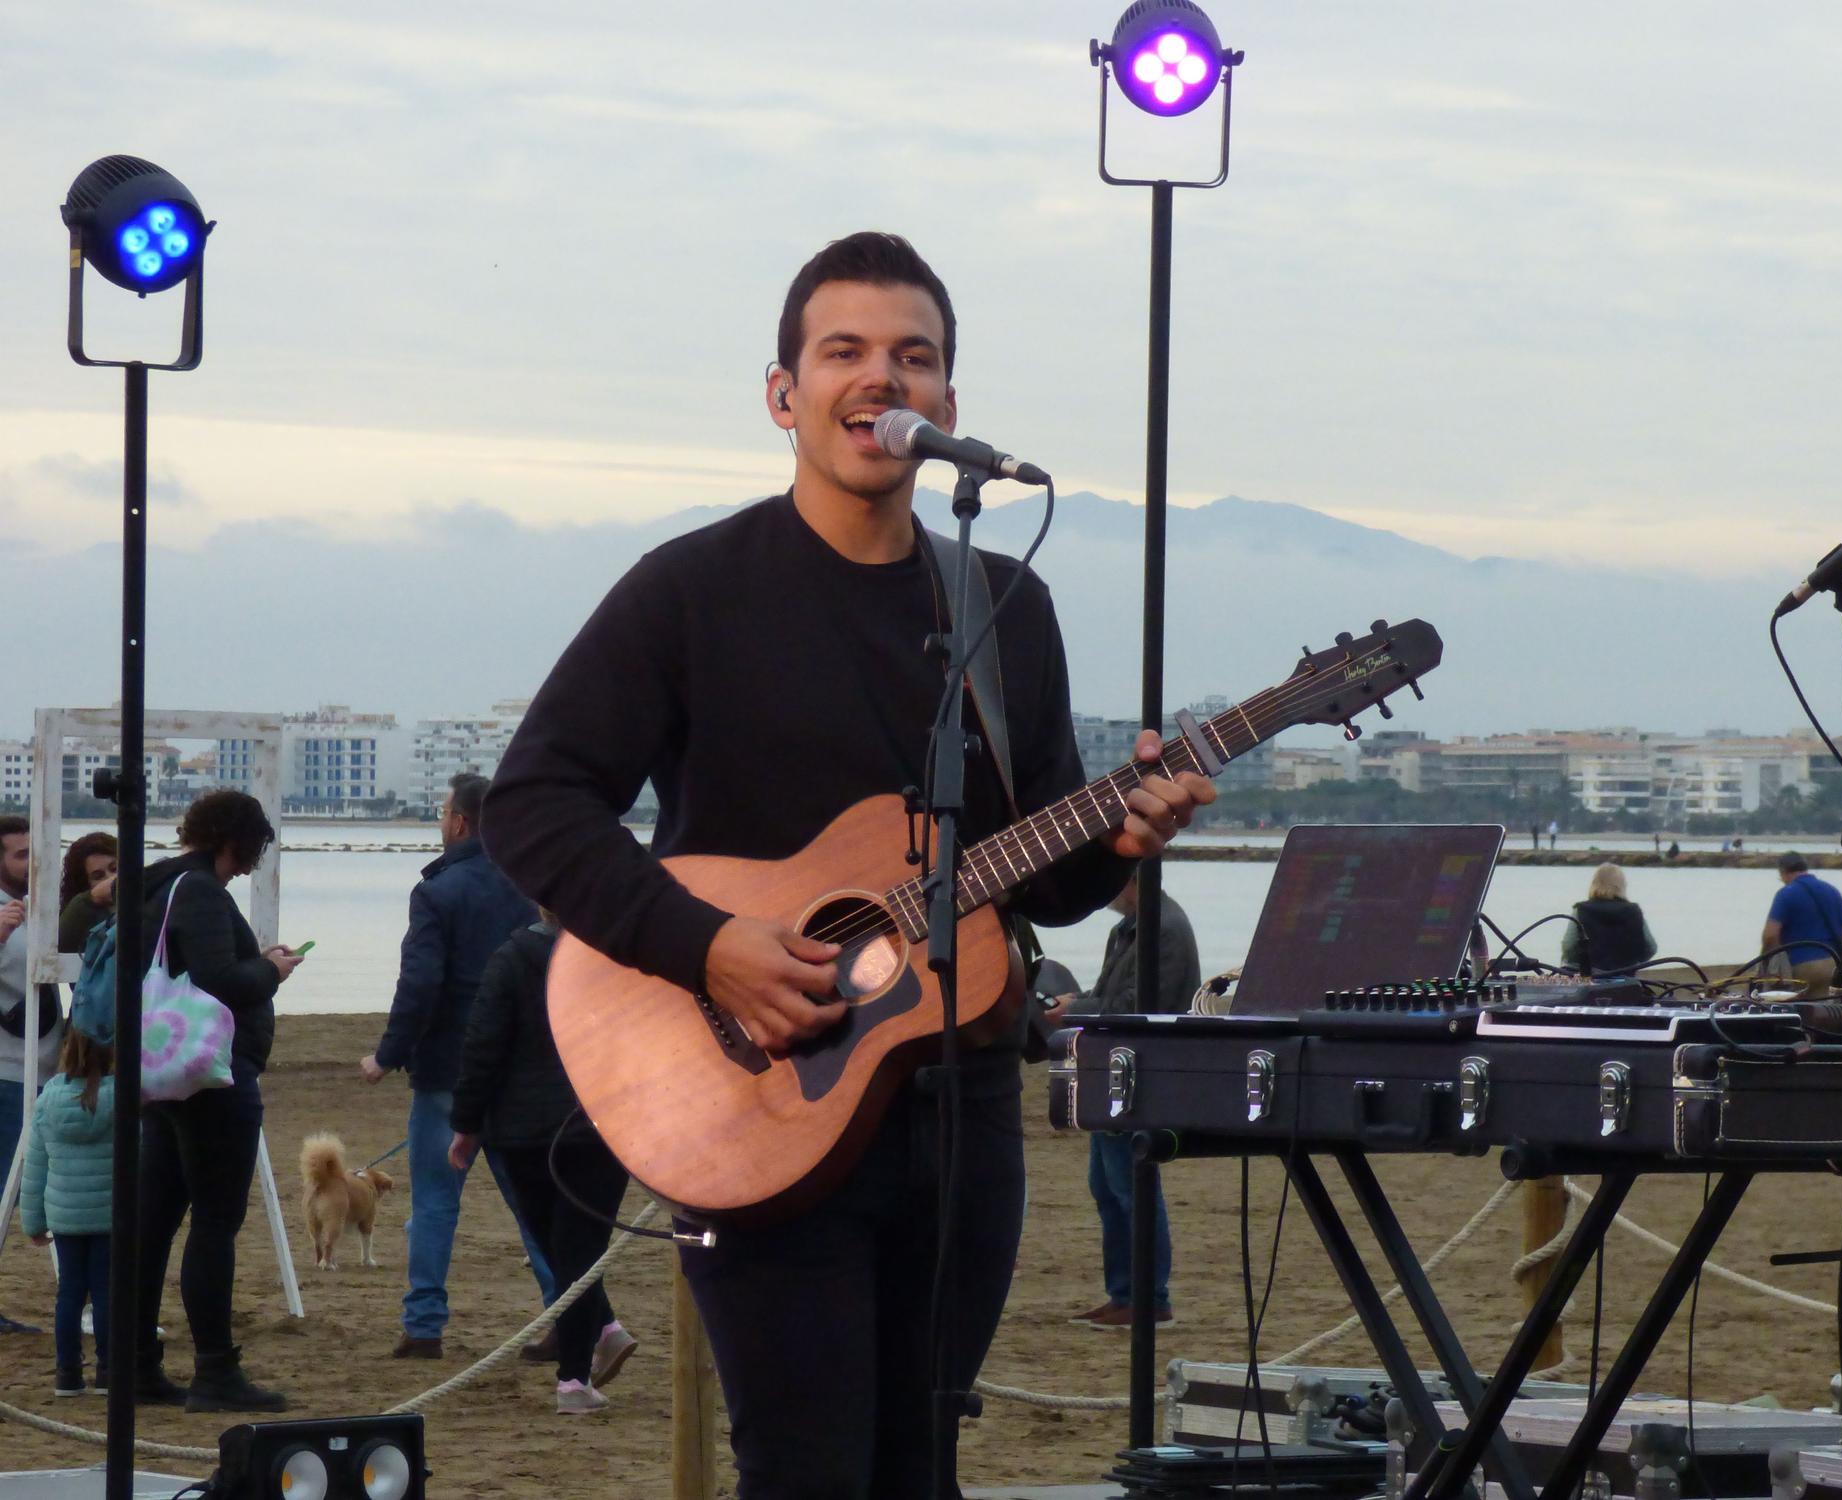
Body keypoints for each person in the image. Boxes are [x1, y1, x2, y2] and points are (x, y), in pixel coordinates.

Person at [481, 231, 1213, 1498]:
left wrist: (1120, 841)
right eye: (846, 352)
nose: (882, 379)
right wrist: (704, 943)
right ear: (783, 396)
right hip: (754, 1100)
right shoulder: (690, 592)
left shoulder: (1003, 607)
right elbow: (534, 805)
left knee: (919, 1467)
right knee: (806, 1470)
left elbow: (1030, 876)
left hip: (960, 1114)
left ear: (947, 406)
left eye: (913, 358)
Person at [361, 770, 549, 1360]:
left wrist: (387, 1055)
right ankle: (571, 1311)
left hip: (449, 1069)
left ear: (460, 822)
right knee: (534, 1206)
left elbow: (420, 983)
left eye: (444, 813)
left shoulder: (437, 893)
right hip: (520, 1067)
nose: (441, 822)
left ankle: (423, 1325)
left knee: (435, 1204)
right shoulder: (530, 887)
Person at [134, 788, 305, 1410]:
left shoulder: (159, 886)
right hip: (211, 1078)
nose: (249, 864)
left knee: (153, 1223)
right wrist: (271, 971)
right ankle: (215, 1370)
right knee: (213, 1222)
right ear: (238, 840)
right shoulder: (202, 892)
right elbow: (219, 982)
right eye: (252, 850)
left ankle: (134, 1364)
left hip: (164, 1077)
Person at [449, 912, 636, 1413]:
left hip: (528, 1132)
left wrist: (466, 1124)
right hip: (592, 1126)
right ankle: (592, 1353)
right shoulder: (612, 957)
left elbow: (482, 1046)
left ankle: (579, 1371)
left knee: (565, 1252)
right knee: (576, 1251)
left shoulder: (511, 958)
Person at [1044, 873, 1201, 1328]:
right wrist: (1077, 1001)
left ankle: (1150, 1296)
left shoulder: (1163, 928)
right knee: (1108, 1187)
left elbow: (1139, 1005)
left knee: (1133, 1189)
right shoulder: (1129, 928)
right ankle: (1125, 1292)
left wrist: (1072, 1011)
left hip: (1142, 1072)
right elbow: (1110, 995)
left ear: (1130, 879)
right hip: (1113, 1068)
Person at [20, 1026, 115, 1396]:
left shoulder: (49, 1100)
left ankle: (67, 1373)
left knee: (70, 1294)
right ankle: (108, 1370)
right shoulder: (121, 1098)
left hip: (66, 1217)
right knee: (107, 1293)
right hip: (109, 1216)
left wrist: (33, 1221)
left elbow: (36, 1166)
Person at [1, 814, 61, 1335]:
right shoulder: (5, 914)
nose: (30, 863)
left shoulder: (47, 906)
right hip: (5, 1071)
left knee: (46, 1187)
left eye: (33, 852)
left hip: (50, 1067)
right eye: (20, 854)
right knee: (5, 1186)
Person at [1762, 851, 1842, 998]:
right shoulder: (1832, 890)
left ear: (1783, 872)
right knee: (1823, 1012)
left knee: (1794, 1012)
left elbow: (1770, 935)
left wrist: (1771, 962)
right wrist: (1838, 959)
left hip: (1800, 965)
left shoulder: (1786, 893)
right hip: (1831, 964)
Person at [1561, 863, 1658, 977]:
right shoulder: (1634, 911)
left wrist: (1577, 962)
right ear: (1622, 885)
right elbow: (1651, 947)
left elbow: (1569, 945)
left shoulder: (1580, 910)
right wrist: (1633, 963)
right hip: (1624, 979)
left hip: (1587, 977)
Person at [57, 832, 118, 954]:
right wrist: (91, 898)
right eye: (98, 876)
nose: (111, 879)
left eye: (114, 869)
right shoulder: (78, 913)